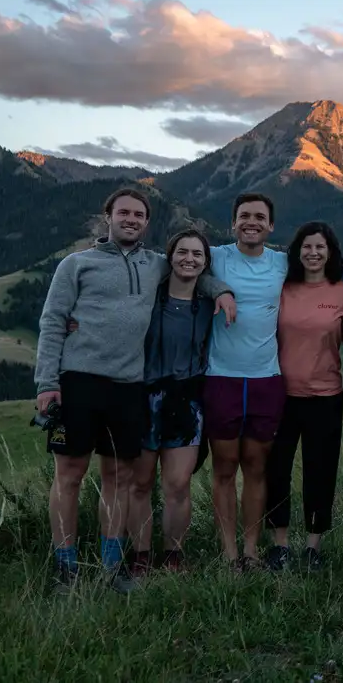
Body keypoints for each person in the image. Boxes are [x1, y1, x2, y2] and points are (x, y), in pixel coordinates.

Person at [35, 188, 234, 592]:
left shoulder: (155, 264)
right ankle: (65, 568)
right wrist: (47, 384)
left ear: (147, 222)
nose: (131, 219)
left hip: (129, 387)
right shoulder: (76, 265)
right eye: (123, 212)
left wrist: (222, 292)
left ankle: (112, 567)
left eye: (139, 214)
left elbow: (194, 269)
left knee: (120, 478)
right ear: (107, 216)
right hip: (78, 382)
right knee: (69, 475)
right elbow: (53, 322)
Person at [203, 192, 290, 570]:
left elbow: (331, 274)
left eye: (259, 217)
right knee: (224, 467)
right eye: (243, 216)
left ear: (271, 225)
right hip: (220, 378)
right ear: (233, 223)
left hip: (266, 380)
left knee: (256, 465)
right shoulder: (216, 257)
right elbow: (178, 268)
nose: (251, 222)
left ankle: (252, 550)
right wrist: (218, 289)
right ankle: (229, 552)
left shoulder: (283, 262)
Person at [126, 229, 219, 577]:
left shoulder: (210, 303)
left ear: (205, 263)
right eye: (182, 252)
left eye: (197, 254)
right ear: (170, 256)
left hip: (188, 400)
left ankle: (174, 555)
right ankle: (140, 556)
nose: (189, 259)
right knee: (140, 483)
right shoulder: (148, 297)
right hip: (143, 397)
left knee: (178, 484)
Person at [263, 222, 343, 571]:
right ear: (297, 252)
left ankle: (314, 547)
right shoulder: (283, 289)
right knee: (277, 470)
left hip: (326, 395)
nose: (313, 253)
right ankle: (279, 545)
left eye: (320, 247)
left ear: (330, 252)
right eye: (307, 247)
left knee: (321, 471)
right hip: (280, 394)